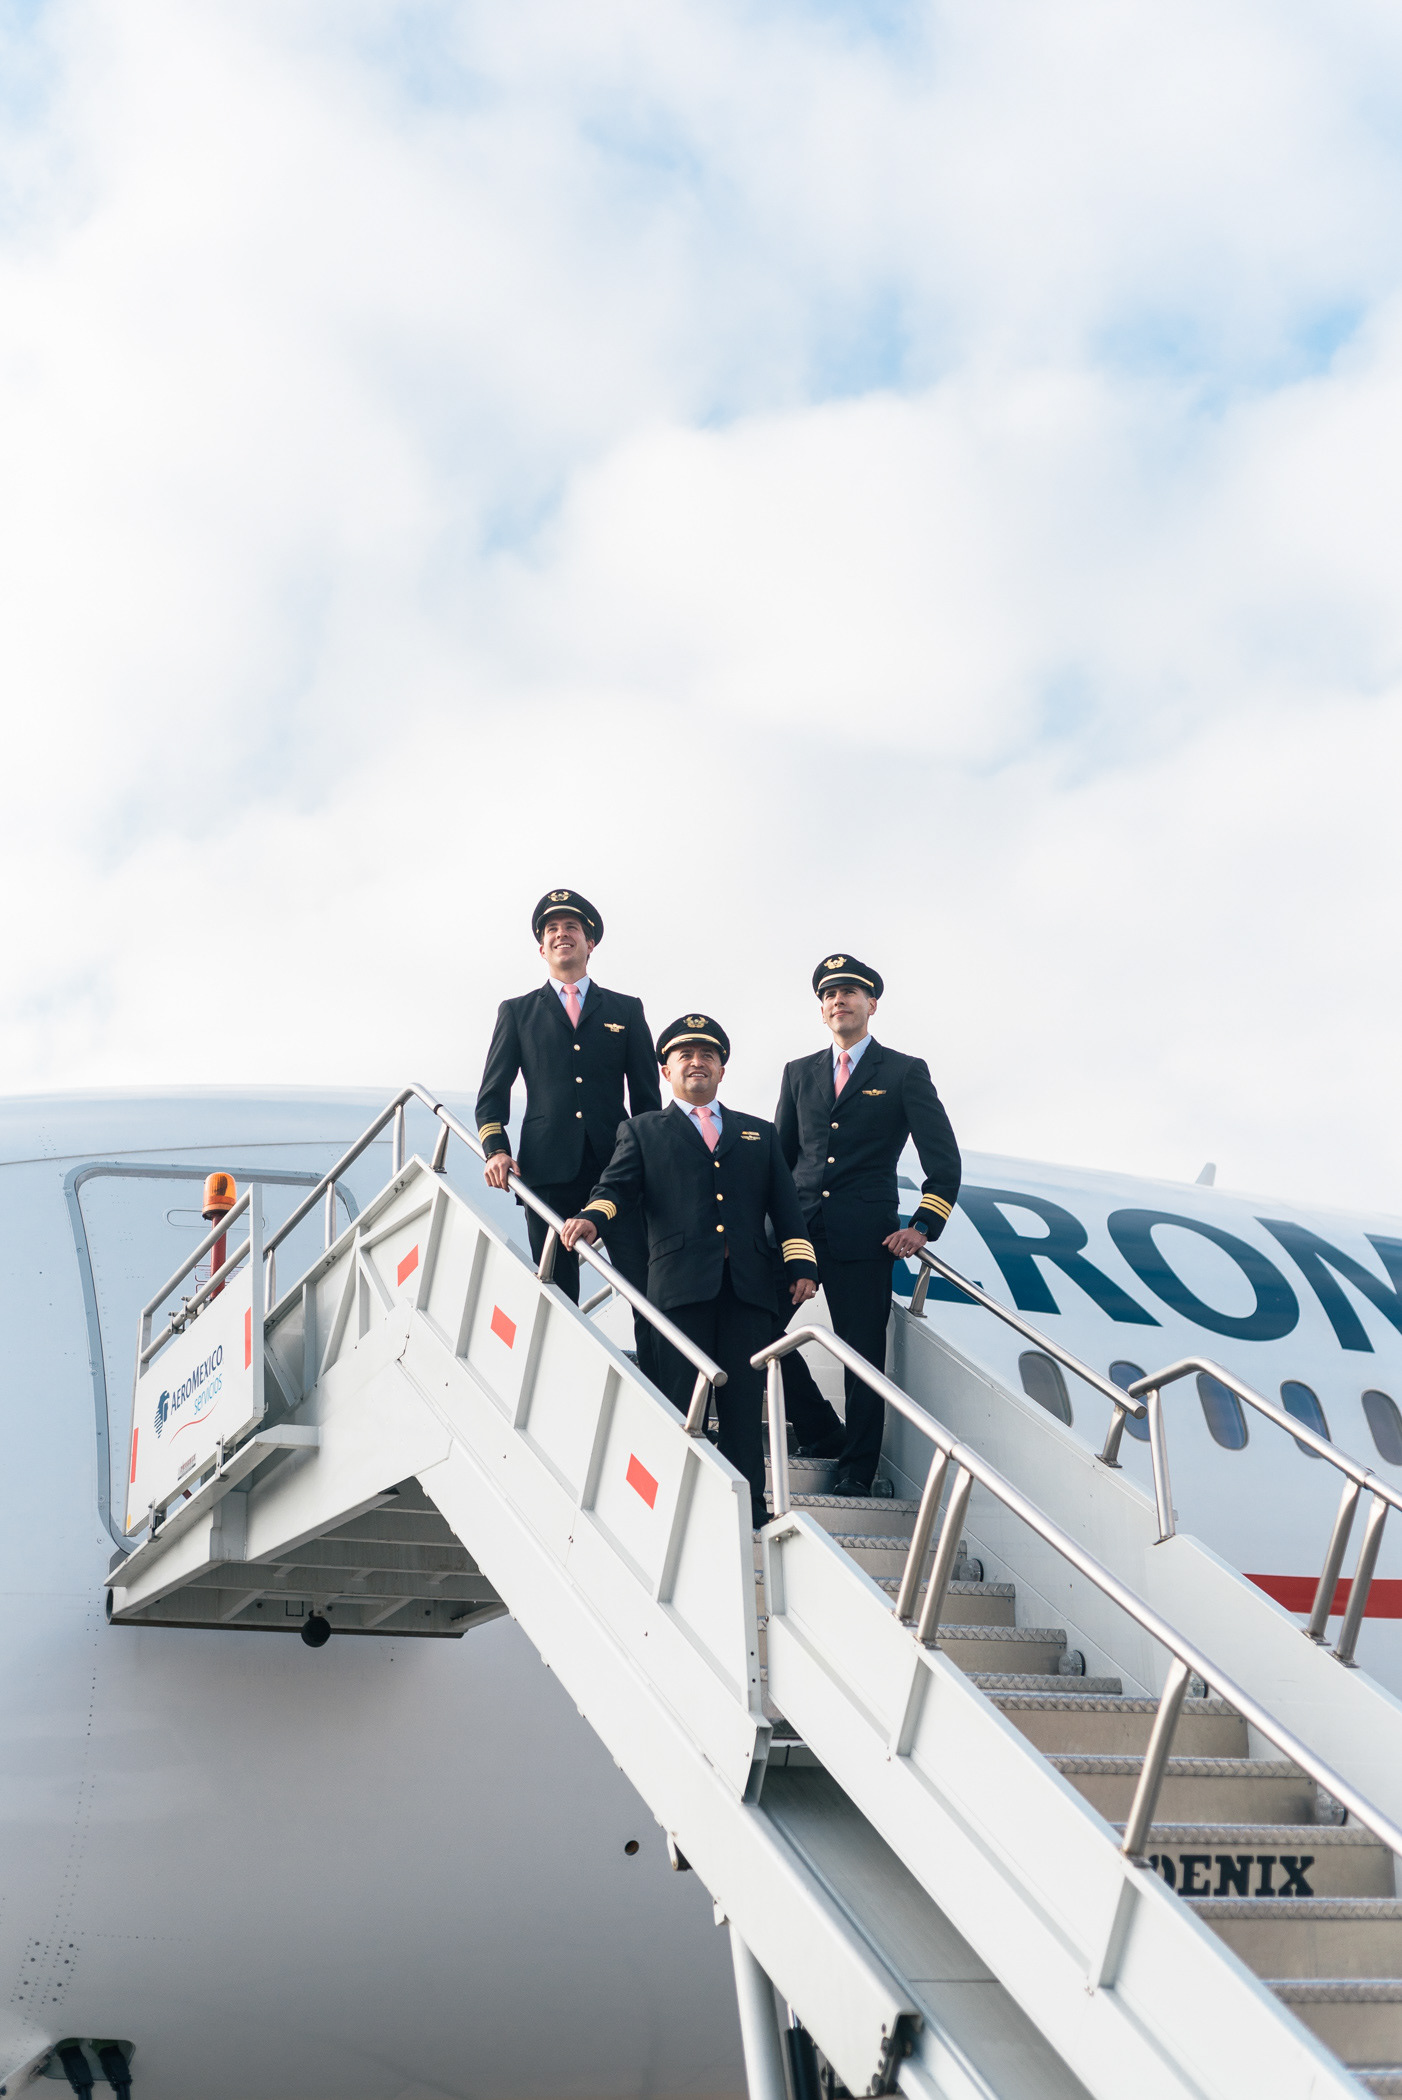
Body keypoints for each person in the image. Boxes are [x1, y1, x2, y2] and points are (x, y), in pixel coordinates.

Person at [562, 1014, 818, 1530]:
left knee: (743, 1407)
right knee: (677, 1402)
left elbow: (786, 1208)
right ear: (666, 1070)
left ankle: (749, 1510)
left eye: (707, 1055)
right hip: (678, 1290)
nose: (696, 1063)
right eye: (685, 1056)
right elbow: (616, 1187)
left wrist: (800, 1262)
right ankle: (669, 1508)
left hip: (747, 1291)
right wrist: (593, 1216)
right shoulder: (642, 1131)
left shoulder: (759, 1133)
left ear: (722, 1069)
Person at [774, 955, 961, 1496]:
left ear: (871, 1004)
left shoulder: (903, 1071)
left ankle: (857, 1469)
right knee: (753, 1329)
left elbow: (944, 1161)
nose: (839, 1000)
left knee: (861, 1358)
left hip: (864, 1236)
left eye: (850, 992)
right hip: (799, 1232)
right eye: (829, 994)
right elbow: (781, 1162)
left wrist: (922, 1225)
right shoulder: (798, 1073)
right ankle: (820, 1429)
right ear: (822, 1010)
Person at [475, 889, 660, 1366]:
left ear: (589, 942)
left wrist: (650, 1164)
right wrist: (496, 1149)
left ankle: (662, 1387)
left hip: (617, 1169)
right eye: (552, 929)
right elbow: (492, 1095)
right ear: (541, 948)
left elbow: (646, 1100)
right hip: (547, 1171)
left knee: (644, 1285)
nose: (562, 935)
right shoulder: (517, 1012)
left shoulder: (626, 1010)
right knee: (557, 1290)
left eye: (571, 927)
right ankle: (564, 1380)